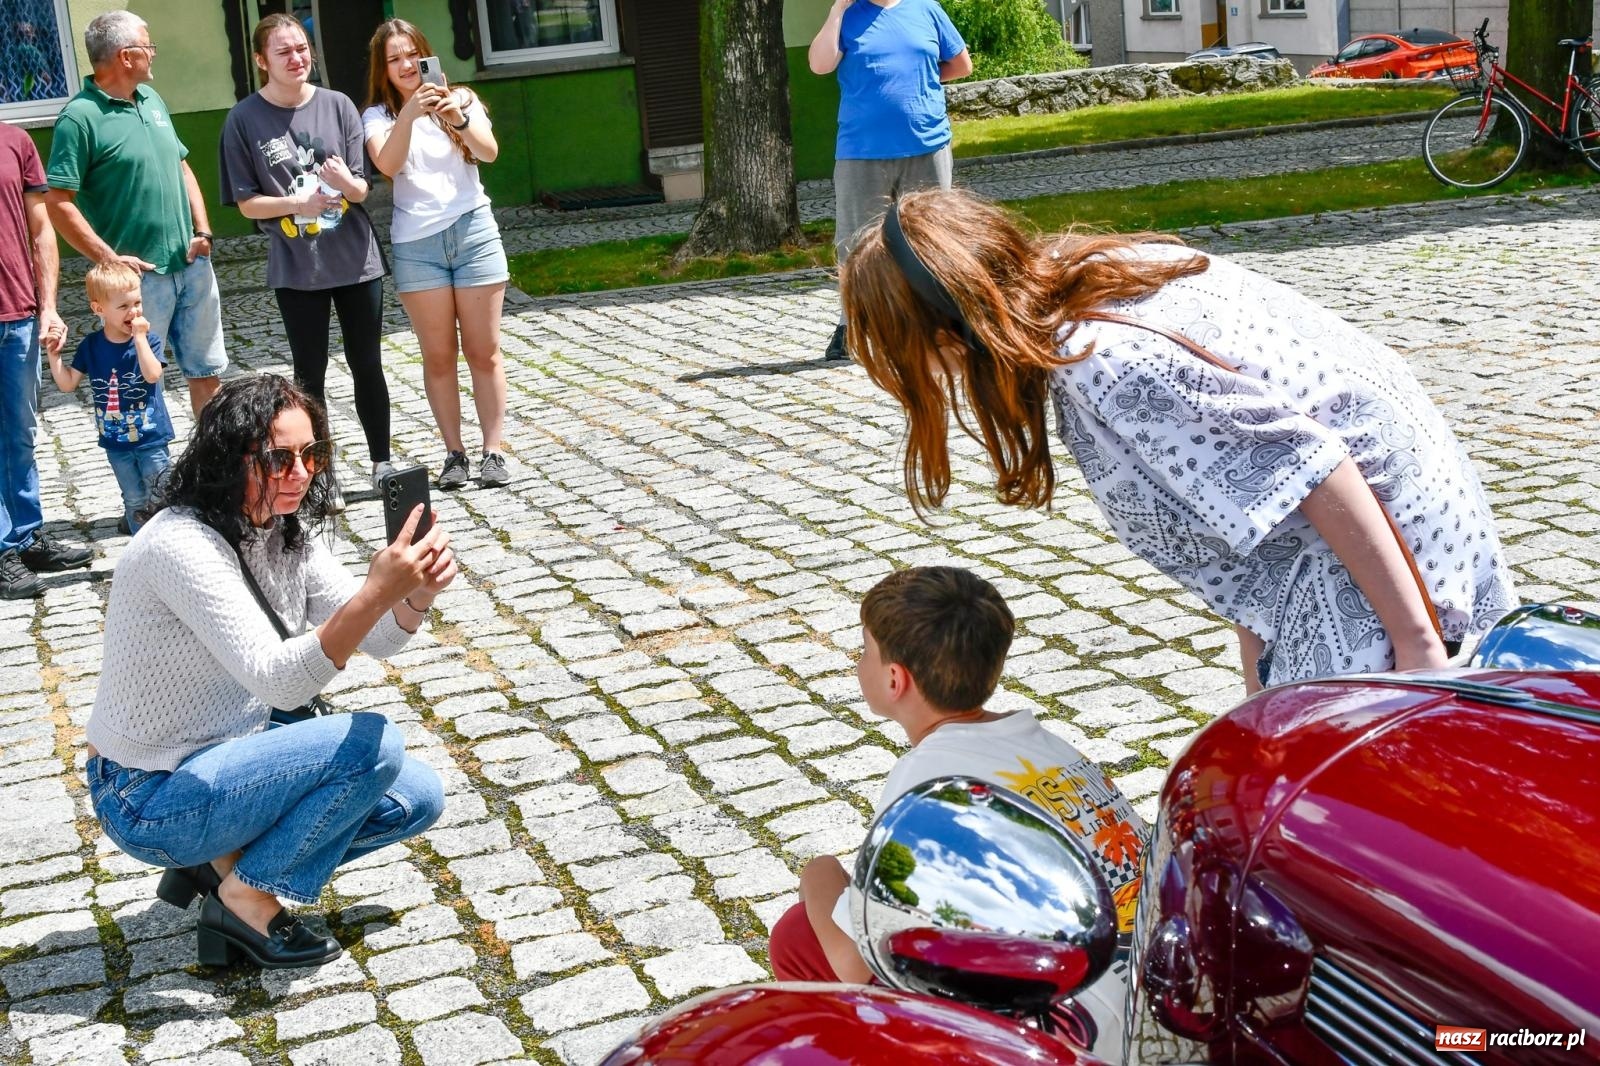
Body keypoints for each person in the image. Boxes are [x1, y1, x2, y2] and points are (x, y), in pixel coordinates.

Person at [840, 189, 1518, 690]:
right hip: (1400, 525)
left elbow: (1313, 468)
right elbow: (1249, 522)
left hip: (1391, 570)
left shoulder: (1102, 362)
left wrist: (1418, 646)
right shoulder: (1103, 272)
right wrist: (1261, 695)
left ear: (943, 340)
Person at [83, 373, 455, 970]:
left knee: (416, 796)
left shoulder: (282, 533)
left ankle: (221, 864)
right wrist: (373, 591)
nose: (301, 474)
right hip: (146, 791)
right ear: (231, 456)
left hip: (229, 758)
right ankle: (244, 900)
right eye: (279, 458)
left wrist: (414, 594)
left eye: (312, 455)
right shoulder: (180, 545)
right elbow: (279, 680)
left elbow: (382, 639)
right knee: (374, 744)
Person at [769, 566, 1143, 1060]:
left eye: (865, 650)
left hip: (1076, 1031)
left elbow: (852, 962)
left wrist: (819, 872)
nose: (859, 662)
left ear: (895, 678)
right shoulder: (1047, 745)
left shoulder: (929, 776)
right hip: (1146, 996)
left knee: (800, 936)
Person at [219, 13, 395, 498]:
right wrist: (296, 204)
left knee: (367, 363)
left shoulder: (339, 105)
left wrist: (344, 184)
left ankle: (381, 462)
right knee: (307, 375)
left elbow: (362, 189)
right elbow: (247, 204)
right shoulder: (244, 120)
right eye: (284, 51)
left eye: (302, 48)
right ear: (261, 61)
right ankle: (317, 474)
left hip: (356, 261)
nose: (298, 58)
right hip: (297, 268)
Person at [45, 10, 227, 418]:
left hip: (192, 266)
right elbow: (58, 203)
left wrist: (204, 230)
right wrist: (108, 259)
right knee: (139, 382)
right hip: (136, 283)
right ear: (126, 56)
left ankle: (214, 472)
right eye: (149, 47)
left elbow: (181, 167)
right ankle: (152, 477)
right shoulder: (79, 118)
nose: (153, 55)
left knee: (208, 374)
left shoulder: (152, 100)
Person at [362, 18, 511, 491]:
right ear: (382, 69)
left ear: (425, 55)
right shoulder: (377, 117)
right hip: (417, 245)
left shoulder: (461, 99)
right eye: (394, 59)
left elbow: (487, 153)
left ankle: (494, 451)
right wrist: (409, 113)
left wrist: (457, 116)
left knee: (483, 352)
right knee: (439, 356)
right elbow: (387, 164)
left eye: (412, 54)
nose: (406, 65)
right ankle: (455, 453)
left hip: (473, 233)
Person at [809, 0, 971, 362]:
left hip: (926, 143)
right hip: (861, 149)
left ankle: (939, 321)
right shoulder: (847, 16)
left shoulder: (926, 9)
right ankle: (851, 325)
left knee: (934, 238)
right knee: (855, 241)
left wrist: (921, 78)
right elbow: (820, 65)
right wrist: (837, 9)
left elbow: (961, 64)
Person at [0, 120, 93, 599]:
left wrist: (49, 306)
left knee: (19, 433)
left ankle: (26, 535)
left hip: (16, 314)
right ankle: (2, 550)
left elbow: (42, 231)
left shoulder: (16, 142)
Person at [44, 262, 173, 535]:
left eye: (137, 302)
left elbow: (152, 375)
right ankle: (141, 548)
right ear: (99, 309)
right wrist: (54, 357)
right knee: (134, 498)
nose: (134, 311)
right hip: (116, 442)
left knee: (161, 494)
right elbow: (68, 384)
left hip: (151, 437)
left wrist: (139, 339)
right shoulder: (91, 346)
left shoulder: (149, 340)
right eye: (123, 306)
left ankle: (167, 541)